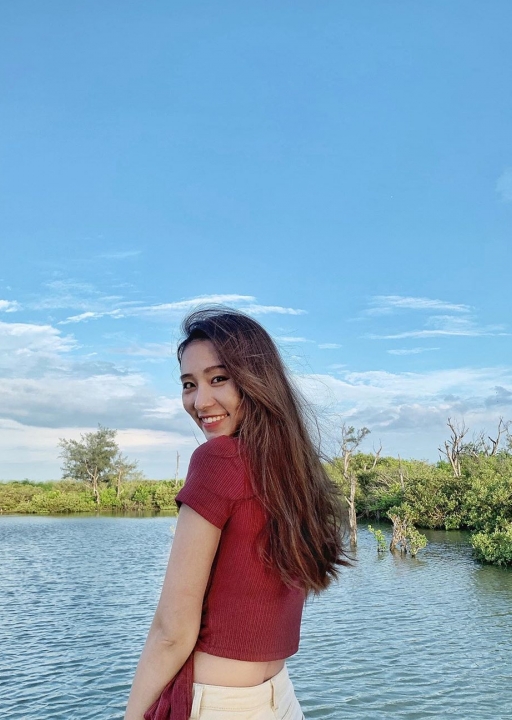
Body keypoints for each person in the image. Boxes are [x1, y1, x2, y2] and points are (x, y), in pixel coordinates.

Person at [125, 308, 348, 720]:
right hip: (280, 699)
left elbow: (171, 632)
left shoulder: (218, 459)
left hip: (220, 704)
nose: (200, 401)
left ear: (256, 380)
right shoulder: (294, 471)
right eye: (189, 384)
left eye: (218, 379)